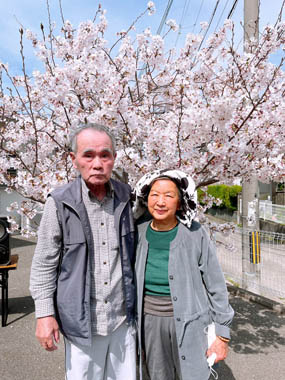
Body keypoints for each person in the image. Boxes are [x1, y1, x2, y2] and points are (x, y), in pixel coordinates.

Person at [30, 123, 136, 380]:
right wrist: (44, 314)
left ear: (114, 158)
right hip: (81, 323)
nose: (97, 163)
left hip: (124, 322)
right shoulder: (60, 202)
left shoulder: (129, 198)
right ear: (74, 159)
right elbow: (44, 263)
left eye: (105, 155)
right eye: (88, 155)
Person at [132, 169, 234, 380]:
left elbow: (216, 285)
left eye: (168, 196)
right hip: (149, 322)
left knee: (193, 374)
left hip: (191, 323)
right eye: (154, 195)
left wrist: (222, 336)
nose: (160, 202)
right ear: (145, 198)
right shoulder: (138, 231)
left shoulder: (195, 234)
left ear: (179, 203)